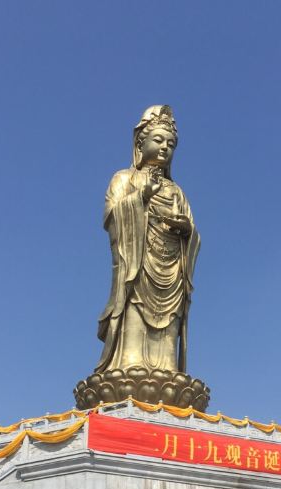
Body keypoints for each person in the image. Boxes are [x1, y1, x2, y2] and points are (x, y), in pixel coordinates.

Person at [96, 105, 200, 376]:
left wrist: (186, 229)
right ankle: (129, 366)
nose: (165, 147)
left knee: (170, 324)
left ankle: (168, 370)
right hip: (138, 266)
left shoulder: (176, 191)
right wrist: (140, 197)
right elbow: (111, 216)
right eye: (158, 140)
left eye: (171, 144)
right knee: (134, 310)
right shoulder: (124, 178)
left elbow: (194, 232)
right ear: (141, 143)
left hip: (172, 270)